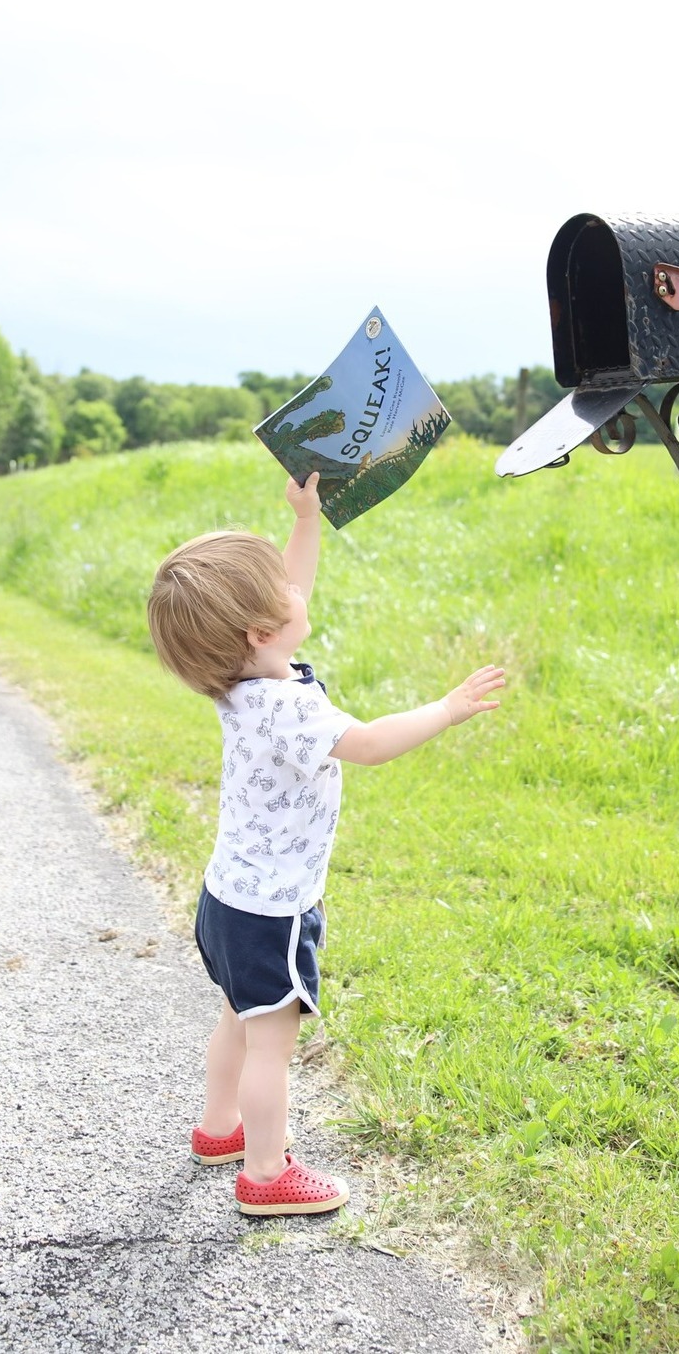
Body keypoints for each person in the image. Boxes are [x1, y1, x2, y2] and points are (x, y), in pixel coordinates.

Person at [146, 472, 506, 1216]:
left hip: (227, 897)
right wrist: (447, 707)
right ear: (261, 631)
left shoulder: (239, 680)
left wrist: (305, 518)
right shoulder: (286, 706)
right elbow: (369, 743)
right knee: (271, 1044)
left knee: (235, 1020)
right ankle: (266, 1173)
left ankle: (219, 1130)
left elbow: (289, 586)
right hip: (272, 910)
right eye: (279, 594)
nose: (293, 588)